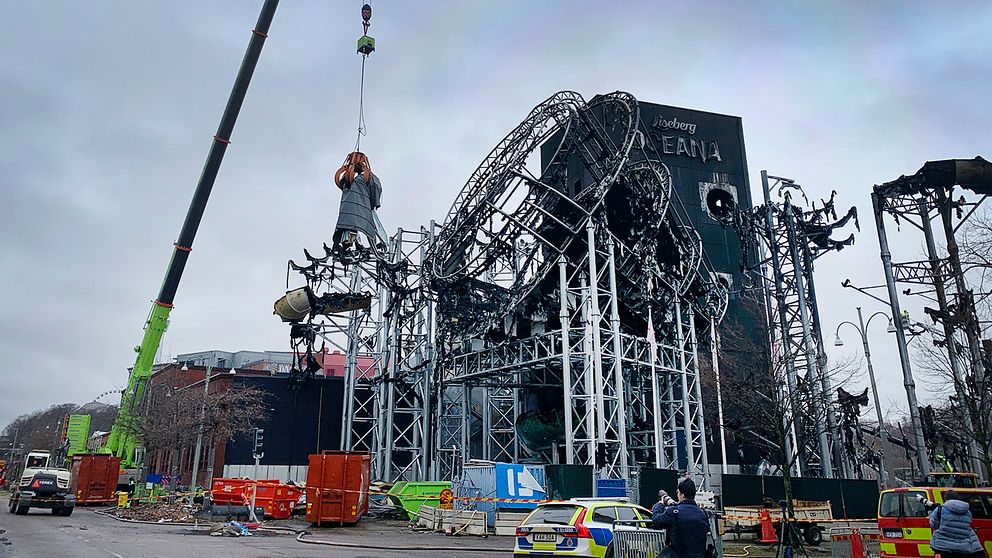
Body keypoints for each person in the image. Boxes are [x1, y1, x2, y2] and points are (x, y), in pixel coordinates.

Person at [651, 477, 711, 558]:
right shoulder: (702, 513)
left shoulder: (674, 512)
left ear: (682, 495)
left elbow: (656, 520)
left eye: (678, 492)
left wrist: (659, 505)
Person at [928, 490, 983, 558]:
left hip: (944, 546)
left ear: (946, 499)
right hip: (963, 546)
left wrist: (930, 512)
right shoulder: (967, 512)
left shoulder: (940, 509)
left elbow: (934, 525)